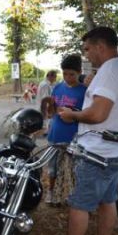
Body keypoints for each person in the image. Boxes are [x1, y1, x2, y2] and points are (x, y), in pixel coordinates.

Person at [42, 27, 118, 235]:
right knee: (108, 199)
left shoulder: (110, 71)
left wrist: (72, 115)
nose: (86, 55)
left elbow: (97, 114)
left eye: (87, 49)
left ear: (100, 46)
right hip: (117, 149)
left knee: (79, 205)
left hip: (99, 152)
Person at [42, 54, 87, 205]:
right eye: (65, 73)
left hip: (74, 137)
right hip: (55, 134)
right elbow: (52, 109)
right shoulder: (57, 88)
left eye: (72, 74)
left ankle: (69, 194)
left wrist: (73, 116)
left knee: (71, 169)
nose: (68, 77)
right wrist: (51, 111)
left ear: (79, 72)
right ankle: (51, 192)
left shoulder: (84, 91)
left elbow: (87, 115)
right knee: (52, 168)